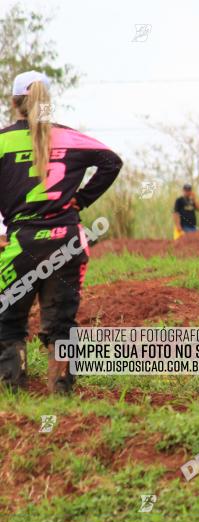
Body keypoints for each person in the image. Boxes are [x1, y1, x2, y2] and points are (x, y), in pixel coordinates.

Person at [0, 71, 123, 392]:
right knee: (61, 325)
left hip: (21, 243)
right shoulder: (70, 138)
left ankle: (14, 396)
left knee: (9, 323)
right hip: (66, 242)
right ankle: (62, 393)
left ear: (14, 103)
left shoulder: (2, 141)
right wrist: (80, 200)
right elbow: (112, 162)